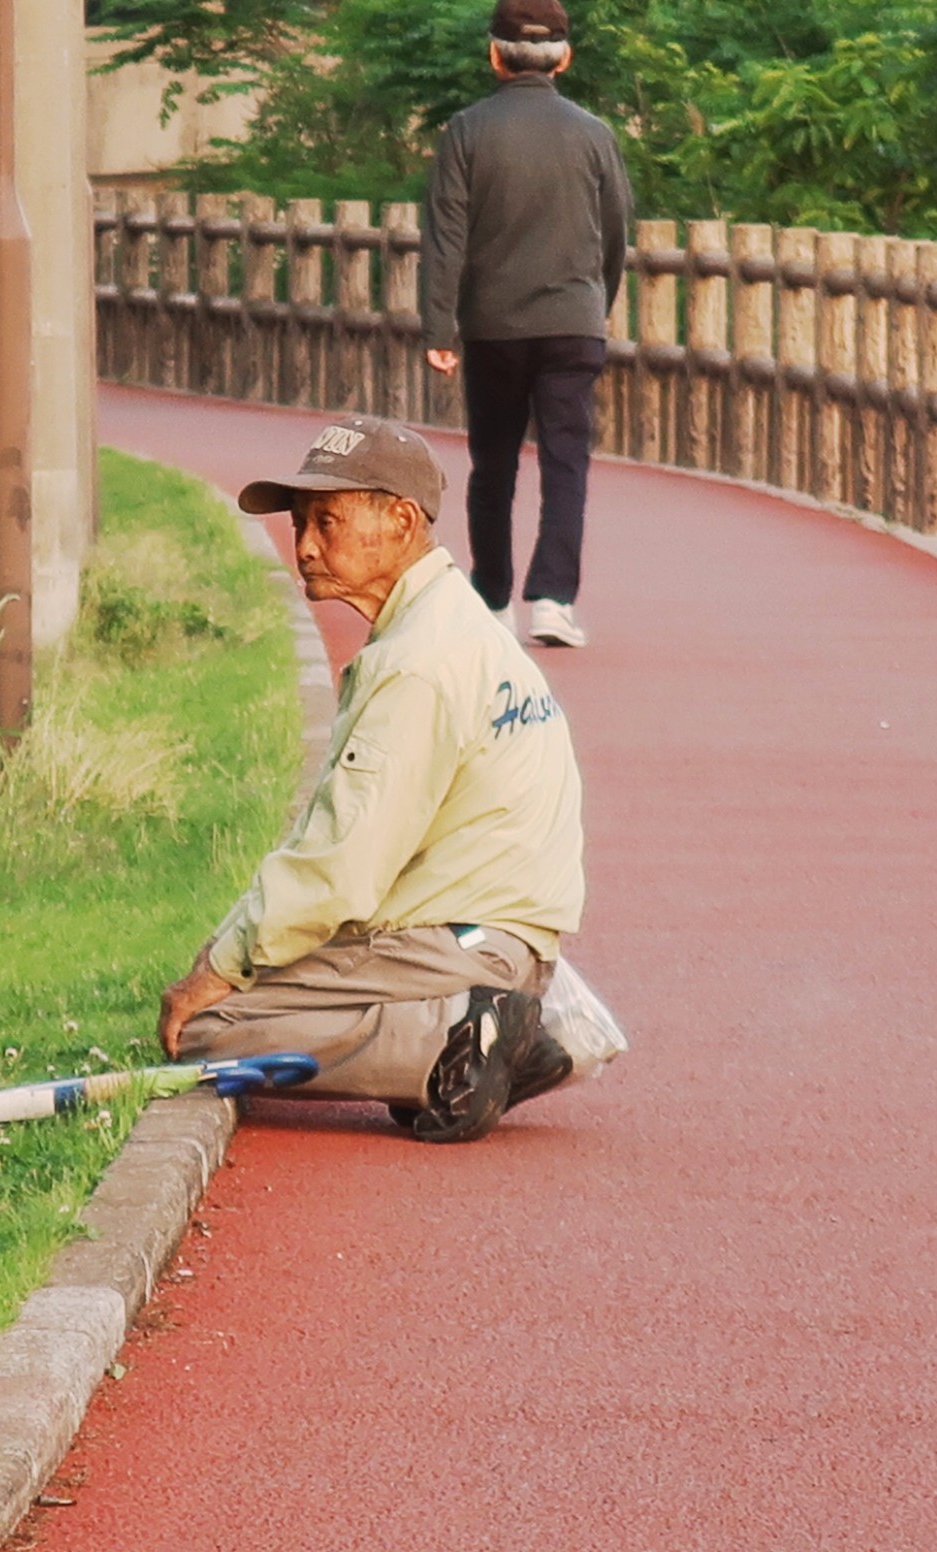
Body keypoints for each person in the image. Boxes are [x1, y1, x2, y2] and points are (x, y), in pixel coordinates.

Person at [158, 415, 585, 1142]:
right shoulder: (465, 626)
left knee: (212, 1029)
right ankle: (481, 1031)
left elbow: (340, 867)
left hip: (460, 942)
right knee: (269, 979)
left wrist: (220, 963)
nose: (306, 546)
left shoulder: (417, 661)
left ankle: (449, 1042)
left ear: (401, 519)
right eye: (300, 523)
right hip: (512, 937)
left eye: (327, 519)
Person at [422, 0, 632, 649]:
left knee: (493, 462)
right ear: (564, 58)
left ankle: (492, 601)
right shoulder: (594, 133)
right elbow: (617, 230)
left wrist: (438, 329)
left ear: (494, 54)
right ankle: (553, 599)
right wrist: (597, 304)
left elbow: (444, 238)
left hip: (494, 326)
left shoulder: (467, 131)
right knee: (567, 458)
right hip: (574, 321)